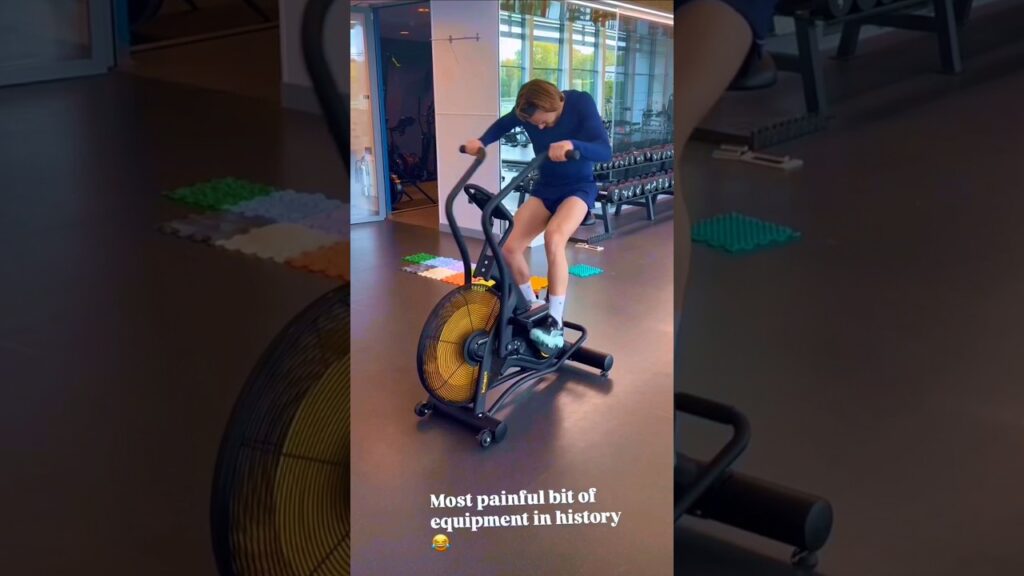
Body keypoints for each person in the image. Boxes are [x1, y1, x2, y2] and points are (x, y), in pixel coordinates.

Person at [463, 79, 612, 354]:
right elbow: (504, 124)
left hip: (578, 188)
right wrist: (481, 141)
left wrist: (571, 143)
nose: (540, 128)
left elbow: (605, 151)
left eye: (544, 122)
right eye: (536, 124)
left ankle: (554, 322)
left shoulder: (580, 102)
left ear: (556, 104)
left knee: (555, 237)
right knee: (509, 247)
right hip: (546, 188)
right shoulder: (527, 111)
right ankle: (532, 306)